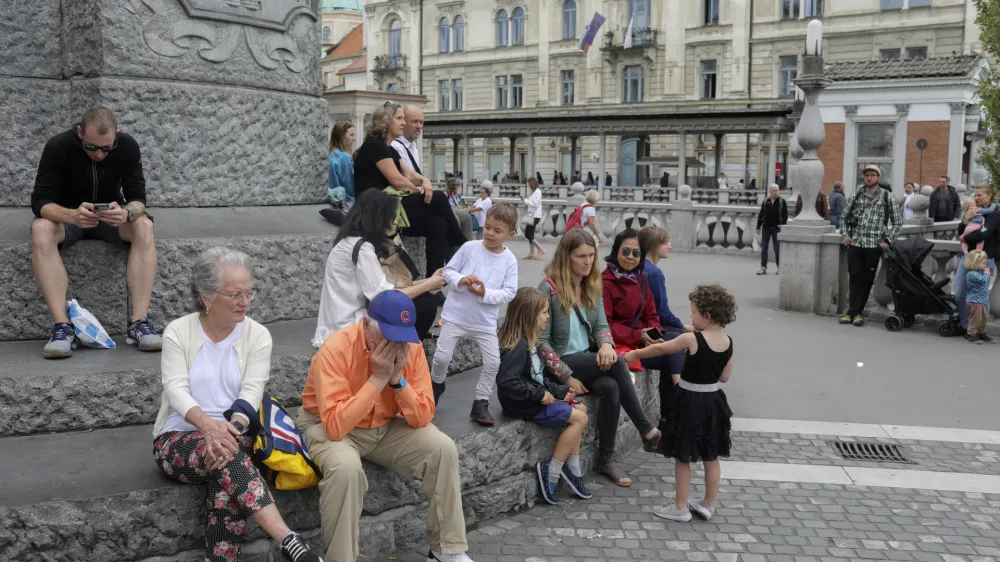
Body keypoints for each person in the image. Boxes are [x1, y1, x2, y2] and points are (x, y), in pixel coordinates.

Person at [154, 247, 322, 562]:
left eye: (248, 293)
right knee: (226, 455)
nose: (245, 301)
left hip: (235, 434)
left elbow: (252, 391)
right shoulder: (179, 331)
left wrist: (228, 430)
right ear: (207, 297)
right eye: (235, 294)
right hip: (179, 439)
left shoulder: (257, 335)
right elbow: (175, 389)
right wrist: (208, 427)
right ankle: (288, 540)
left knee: (225, 477)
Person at [297, 290, 475, 562]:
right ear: (367, 324)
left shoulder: (409, 347)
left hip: (383, 425)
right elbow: (335, 425)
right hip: (329, 426)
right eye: (388, 335)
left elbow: (423, 416)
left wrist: (397, 381)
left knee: (442, 448)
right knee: (346, 470)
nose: (396, 344)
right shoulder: (335, 348)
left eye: (401, 336)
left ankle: (445, 551)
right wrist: (379, 378)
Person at [31, 105, 161, 359]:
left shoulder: (127, 146)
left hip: (111, 218)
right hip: (68, 217)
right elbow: (40, 202)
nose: (100, 154)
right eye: (91, 147)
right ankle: (62, 328)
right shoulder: (58, 146)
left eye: (106, 148)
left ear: (116, 135)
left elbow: (138, 199)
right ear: (80, 132)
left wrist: (126, 213)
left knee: (144, 225)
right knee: (40, 228)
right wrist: (71, 215)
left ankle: (139, 324)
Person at [537, 230, 660, 487]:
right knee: (616, 363)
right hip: (561, 363)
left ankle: (607, 459)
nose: (588, 262)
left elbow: (602, 325)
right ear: (565, 257)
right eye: (581, 256)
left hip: (588, 359)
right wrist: (566, 376)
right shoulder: (548, 289)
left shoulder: (592, 286)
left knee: (611, 386)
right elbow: (541, 342)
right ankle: (646, 429)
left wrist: (605, 344)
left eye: (592, 256)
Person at [623, 284, 736, 523]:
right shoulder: (728, 341)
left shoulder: (690, 339)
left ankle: (680, 507)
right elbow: (724, 377)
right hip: (714, 401)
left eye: (693, 312)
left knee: (683, 456)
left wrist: (634, 355)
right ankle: (708, 504)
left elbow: (662, 348)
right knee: (711, 455)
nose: (690, 317)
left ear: (706, 316)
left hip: (689, 401)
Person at [313, 190, 446, 347]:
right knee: (424, 306)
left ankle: (407, 354)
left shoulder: (350, 241)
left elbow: (387, 288)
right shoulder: (362, 248)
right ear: (378, 217)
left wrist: (429, 281)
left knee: (423, 299)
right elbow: (386, 296)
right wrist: (428, 285)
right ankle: (405, 357)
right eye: (391, 216)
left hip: (340, 321)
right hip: (348, 326)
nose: (395, 222)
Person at [496, 287, 591, 505]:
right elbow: (507, 382)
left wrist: (559, 391)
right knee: (580, 418)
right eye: (545, 312)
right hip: (524, 404)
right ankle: (553, 469)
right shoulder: (518, 346)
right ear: (530, 315)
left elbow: (535, 376)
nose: (548, 317)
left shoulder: (529, 342)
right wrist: (540, 394)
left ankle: (573, 468)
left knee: (582, 409)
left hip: (533, 398)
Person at [353, 101, 466, 277]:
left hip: (392, 206)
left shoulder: (390, 149)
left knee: (439, 225)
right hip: (377, 210)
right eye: (399, 118)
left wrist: (425, 182)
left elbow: (410, 174)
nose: (403, 123)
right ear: (385, 121)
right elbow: (397, 180)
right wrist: (420, 191)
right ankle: (460, 247)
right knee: (440, 198)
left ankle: (432, 284)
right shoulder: (374, 145)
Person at [431, 204, 519, 425]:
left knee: (492, 363)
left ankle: (481, 401)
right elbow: (448, 271)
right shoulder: (469, 248)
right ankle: (435, 386)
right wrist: (461, 280)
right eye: (487, 227)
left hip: (484, 323)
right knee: (442, 357)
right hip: (455, 316)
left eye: (497, 230)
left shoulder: (510, 261)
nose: (490, 233)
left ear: (510, 234)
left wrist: (484, 293)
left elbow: (509, 292)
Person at [602, 230, 686, 423]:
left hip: (643, 343)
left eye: (635, 253)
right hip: (622, 345)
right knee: (675, 343)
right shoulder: (605, 283)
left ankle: (671, 417)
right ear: (616, 252)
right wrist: (638, 335)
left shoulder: (641, 277)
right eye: (626, 252)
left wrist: (654, 334)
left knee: (677, 349)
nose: (630, 257)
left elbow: (652, 313)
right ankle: (679, 405)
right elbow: (605, 325)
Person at [638, 227, 693, 418]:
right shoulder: (654, 273)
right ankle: (677, 402)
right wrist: (687, 326)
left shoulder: (642, 267)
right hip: (647, 328)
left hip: (644, 324)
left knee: (677, 342)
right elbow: (663, 314)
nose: (669, 245)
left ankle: (670, 412)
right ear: (654, 246)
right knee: (680, 341)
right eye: (665, 242)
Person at [838, 164, 902, 327]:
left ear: (878, 178)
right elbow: (844, 217)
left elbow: (897, 222)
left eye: (873, 175)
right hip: (856, 243)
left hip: (873, 245)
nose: (869, 177)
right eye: (866, 175)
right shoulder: (856, 195)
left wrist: (887, 240)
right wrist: (846, 235)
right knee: (854, 277)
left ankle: (857, 312)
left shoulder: (887, 197)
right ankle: (852, 312)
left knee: (866, 279)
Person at [955, 184, 999, 337]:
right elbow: (960, 231)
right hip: (967, 258)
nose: (977, 197)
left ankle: (981, 330)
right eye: (976, 194)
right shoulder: (971, 211)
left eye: (980, 195)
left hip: (984, 260)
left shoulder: (994, 215)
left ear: (989, 197)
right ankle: (966, 325)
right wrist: (966, 219)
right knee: (960, 294)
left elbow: (985, 232)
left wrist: (965, 238)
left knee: (982, 298)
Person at [755, 184, 787, 275]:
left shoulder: (782, 202)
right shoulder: (766, 201)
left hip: (776, 228)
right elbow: (761, 214)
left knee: (777, 249)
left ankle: (779, 267)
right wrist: (758, 226)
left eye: (777, 190)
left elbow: (785, 216)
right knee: (764, 248)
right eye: (774, 190)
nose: (776, 192)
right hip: (766, 227)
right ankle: (763, 267)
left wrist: (783, 226)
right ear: (770, 192)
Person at [963, 250, 993, 344]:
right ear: (975, 263)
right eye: (983, 263)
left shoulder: (978, 273)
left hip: (981, 301)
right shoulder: (971, 274)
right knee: (976, 319)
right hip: (974, 301)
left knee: (983, 319)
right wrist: (987, 272)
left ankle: (981, 333)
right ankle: (971, 334)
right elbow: (984, 280)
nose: (985, 265)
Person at [392, 106, 425, 177]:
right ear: (403, 122)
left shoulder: (414, 147)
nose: (419, 126)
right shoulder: (396, 147)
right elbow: (402, 179)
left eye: (421, 122)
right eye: (414, 121)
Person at [328, 121, 356, 205]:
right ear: (342, 137)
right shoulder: (344, 158)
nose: (354, 138)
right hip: (345, 202)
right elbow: (350, 187)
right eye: (351, 135)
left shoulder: (329, 154)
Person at [520, 177, 546, 260]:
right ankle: (531, 253)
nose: (528, 185)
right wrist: (526, 200)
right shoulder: (535, 192)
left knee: (528, 234)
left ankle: (540, 249)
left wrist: (525, 200)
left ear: (532, 183)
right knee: (530, 234)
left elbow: (534, 204)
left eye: (528, 183)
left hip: (535, 215)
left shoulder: (537, 192)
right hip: (533, 215)